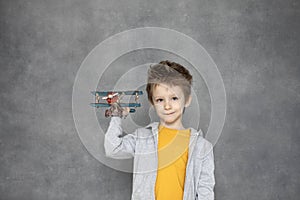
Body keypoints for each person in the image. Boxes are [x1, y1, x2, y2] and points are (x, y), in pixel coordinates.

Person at [104, 60, 215, 200]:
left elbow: (206, 191)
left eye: (174, 98)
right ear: (152, 102)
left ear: (187, 100)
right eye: (160, 100)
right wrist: (116, 116)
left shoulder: (203, 147)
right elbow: (112, 149)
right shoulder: (142, 138)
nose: (167, 106)